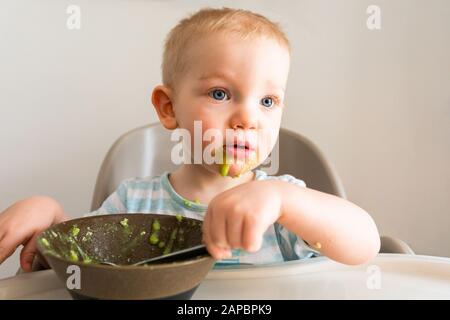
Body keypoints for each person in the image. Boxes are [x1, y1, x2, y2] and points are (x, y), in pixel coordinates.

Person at [0, 7, 380, 272]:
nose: (248, 118)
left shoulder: (281, 208)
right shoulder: (134, 202)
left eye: (268, 101)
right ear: (168, 107)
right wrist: (48, 218)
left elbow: (365, 246)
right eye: (220, 94)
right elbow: (78, 264)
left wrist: (285, 201)